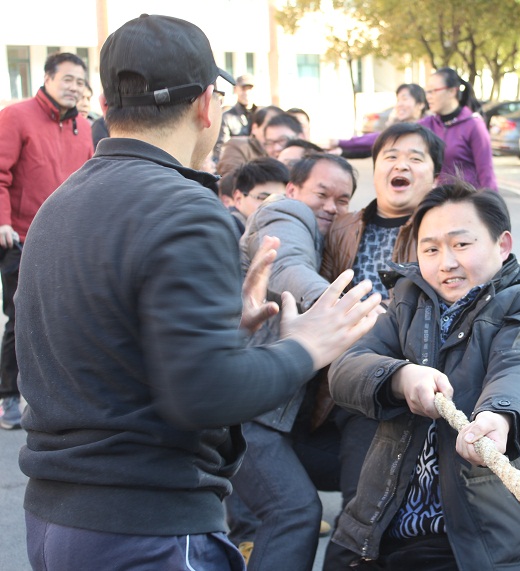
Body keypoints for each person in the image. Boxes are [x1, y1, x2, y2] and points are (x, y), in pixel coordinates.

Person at [15, 14, 381, 570]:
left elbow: (108, 349)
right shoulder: (185, 207)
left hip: (55, 520)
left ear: (107, 104)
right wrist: (306, 345)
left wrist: (224, 326)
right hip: (146, 528)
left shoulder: (59, 204)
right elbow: (203, 394)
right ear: (207, 105)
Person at [327, 182, 520, 569]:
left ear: (502, 245)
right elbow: (345, 370)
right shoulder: (408, 299)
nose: (446, 262)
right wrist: (400, 377)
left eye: (461, 244)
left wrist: (498, 416)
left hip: (479, 542)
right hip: (377, 527)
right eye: (430, 249)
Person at [319, 122, 444, 569]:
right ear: (374, 170)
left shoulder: (439, 234)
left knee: (368, 509)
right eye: (390, 156)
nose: (400, 165)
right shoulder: (344, 226)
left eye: (414, 157)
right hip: (334, 381)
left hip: (398, 383)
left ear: (434, 176)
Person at [234, 153, 357, 571]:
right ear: (293, 190)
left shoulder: (335, 239)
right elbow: (285, 265)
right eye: (321, 194)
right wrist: (338, 308)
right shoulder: (286, 214)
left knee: (371, 469)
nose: (331, 207)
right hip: (249, 411)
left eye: (342, 199)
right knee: (295, 511)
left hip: (286, 418)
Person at [0, 51, 93, 431]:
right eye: (67, 79)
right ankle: (8, 395)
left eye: (80, 81)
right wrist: (3, 222)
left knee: (65, 316)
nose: (74, 87)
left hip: (68, 239)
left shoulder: (83, 126)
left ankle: (54, 395)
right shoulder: (15, 116)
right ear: (48, 78)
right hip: (20, 237)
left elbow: (89, 182)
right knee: (20, 317)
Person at [330, 68, 496, 190]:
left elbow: (487, 174)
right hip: (438, 204)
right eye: (427, 92)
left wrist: (493, 214)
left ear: (452, 91)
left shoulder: (474, 125)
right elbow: (386, 137)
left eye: (433, 91)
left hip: (467, 205)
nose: (428, 96)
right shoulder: (429, 124)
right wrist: (340, 143)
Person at [218, 105, 285, 176]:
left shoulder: (286, 148)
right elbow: (232, 177)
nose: (276, 131)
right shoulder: (238, 145)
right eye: (271, 126)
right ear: (255, 128)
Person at [230, 158, 291, 234]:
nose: (274, 205)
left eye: (282, 198)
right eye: (263, 198)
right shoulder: (226, 232)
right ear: (238, 199)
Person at [214, 74, 257, 162]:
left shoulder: (261, 114)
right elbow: (221, 148)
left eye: (250, 89)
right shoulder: (226, 117)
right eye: (243, 89)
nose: (247, 93)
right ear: (235, 90)